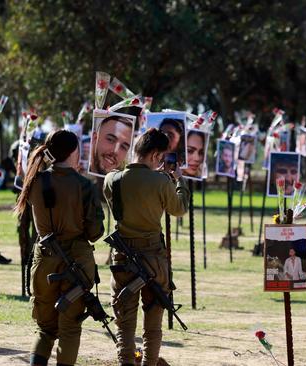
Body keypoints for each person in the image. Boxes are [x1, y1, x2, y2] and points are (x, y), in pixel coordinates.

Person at [15, 130, 104, 366]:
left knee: (45, 329)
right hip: (77, 261)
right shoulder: (84, 185)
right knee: (70, 329)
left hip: (44, 259)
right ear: (74, 152)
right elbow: (95, 233)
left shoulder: (35, 180)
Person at [103, 128, 190, 366]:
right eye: (161, 157)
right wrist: (179, 181)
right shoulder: (161, 181)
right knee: (153, 322)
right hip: (154, 259)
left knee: (124, 322)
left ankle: (126, 363)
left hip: (122, 258)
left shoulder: (112, 180)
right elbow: (179, 209)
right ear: (155, 156)